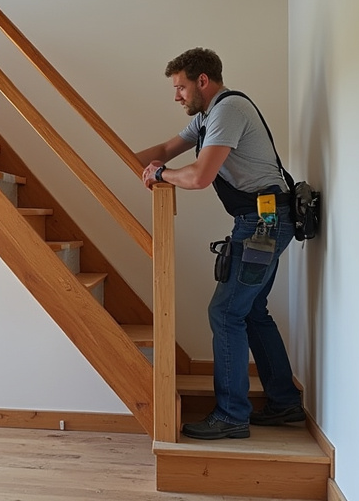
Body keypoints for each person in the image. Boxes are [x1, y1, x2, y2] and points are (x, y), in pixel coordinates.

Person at [136, 47, 304, 440]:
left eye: (180, 87)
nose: (177, 96)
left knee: (225, 312)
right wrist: (117, 160)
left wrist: (161, 175)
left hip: (264, 222)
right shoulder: (208, 116)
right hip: (264, 219)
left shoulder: (228, 110)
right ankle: (284, 402)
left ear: (202, 82)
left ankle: (231, 415)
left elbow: (198, 176)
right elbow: (163, 151)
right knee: (252, 311)